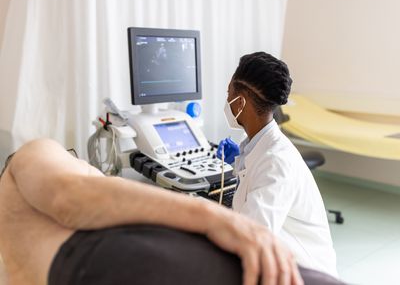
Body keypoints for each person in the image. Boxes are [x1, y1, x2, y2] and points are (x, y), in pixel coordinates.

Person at [0, 138, 306, 285]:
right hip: (127, 259)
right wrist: (218, 218)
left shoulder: (17, 250)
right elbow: (69, 197)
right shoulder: (32, 153)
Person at [217, 52, 337, 277]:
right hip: (286, 259)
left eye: (228, 94)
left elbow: (251, 236)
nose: (226, 101)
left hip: (307, 273)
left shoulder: (277, 161)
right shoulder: (261, 145)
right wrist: (239, 159)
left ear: (240, 102)